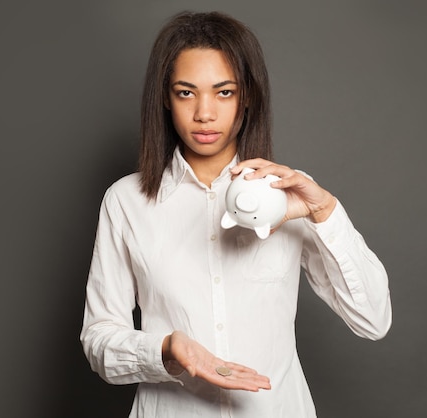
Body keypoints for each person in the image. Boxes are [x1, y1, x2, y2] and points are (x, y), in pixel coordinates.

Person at [80, 11, 392, 418]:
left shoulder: (291, 194)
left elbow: (373, 319)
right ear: (165, 98)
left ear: (247, 97)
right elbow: (99, 340)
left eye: (223, 92)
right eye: (186, 92)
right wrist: (167, 349)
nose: (205, 113)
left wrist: (324, 211)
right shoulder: (126, 201)